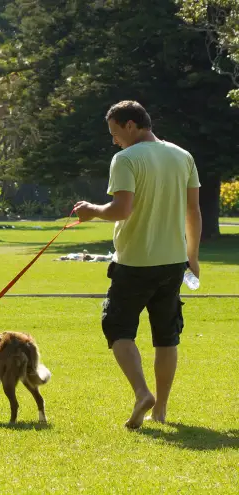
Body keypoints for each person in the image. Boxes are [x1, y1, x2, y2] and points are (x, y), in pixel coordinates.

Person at [73, 100, 201, 430]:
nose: (114, 140)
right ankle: (161, 410)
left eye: (116, 133)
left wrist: (91, 210)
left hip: (134, 262)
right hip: (174, 262)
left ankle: (143, 393)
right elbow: (193, 212)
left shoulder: (126, 159)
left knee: (117, 329)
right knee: (166, 336)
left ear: (132, 125)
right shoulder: (183, 156)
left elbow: (121, 210)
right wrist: (193, 257)